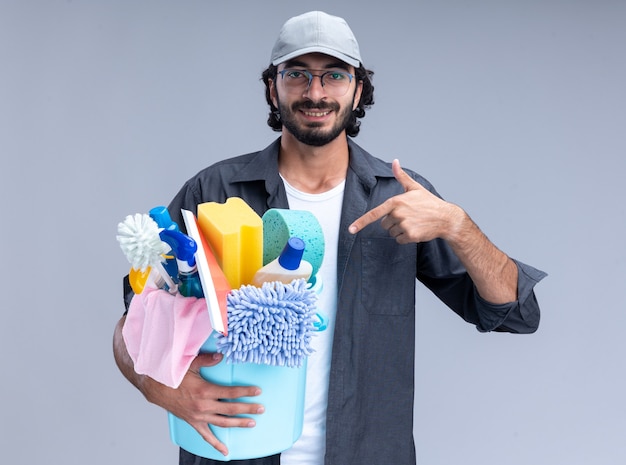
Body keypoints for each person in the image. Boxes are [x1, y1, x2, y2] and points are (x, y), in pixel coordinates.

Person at [113, 10, 546, 465]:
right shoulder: (214, 192)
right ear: (272, 87)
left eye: (334, 75)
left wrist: (457, 226)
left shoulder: (400, 198)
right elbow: (134, 321)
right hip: (234, 453)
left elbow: (516, 312)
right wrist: (160, 388)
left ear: (358, 90)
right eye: (296, 74)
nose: (315, 92)